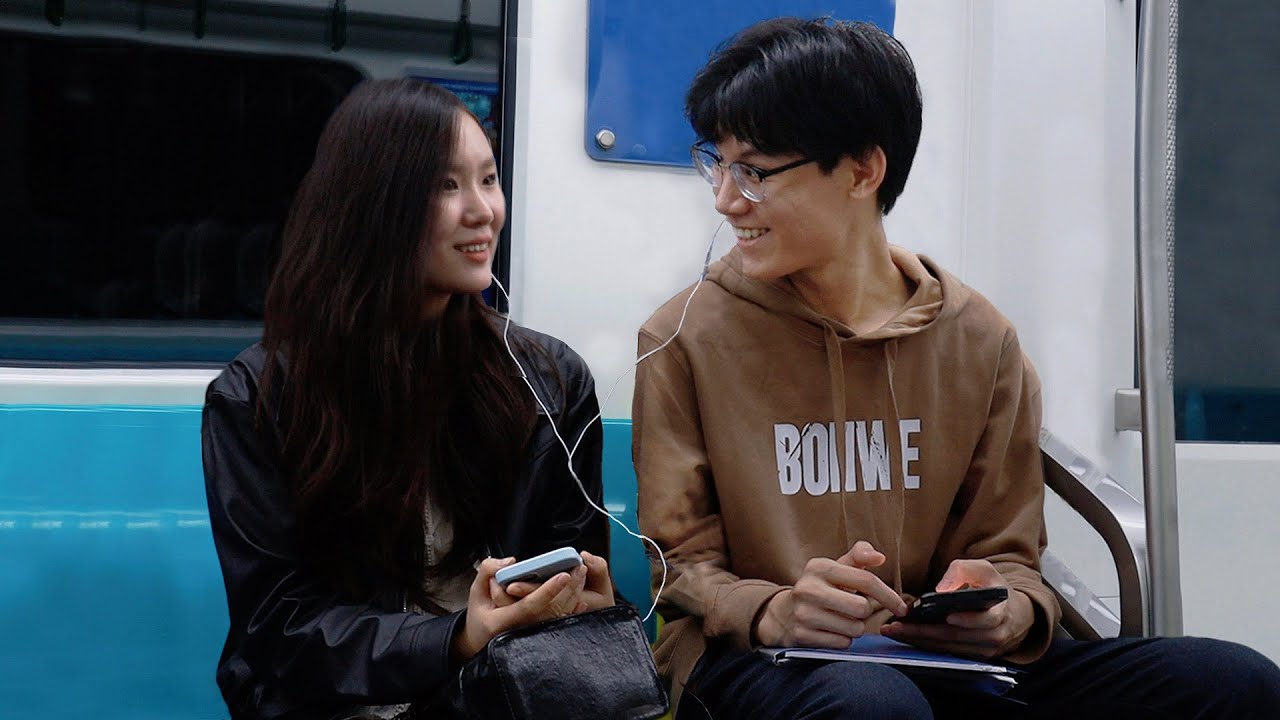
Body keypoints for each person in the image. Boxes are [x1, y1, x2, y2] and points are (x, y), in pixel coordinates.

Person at [633, 17, 1280, 719]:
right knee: (874, 706)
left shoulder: (979, 341)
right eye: (717, 163)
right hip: (757, 660)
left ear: (862, 171)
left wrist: (1007, 612)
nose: (726, 199)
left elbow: (1010, 558)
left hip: (941, 665)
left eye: (754, 172)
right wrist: (774, 610)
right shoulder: (683, 338)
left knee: (1233, 681)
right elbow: (680, 569)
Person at [202, 78, 614, 720]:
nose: (483, 211)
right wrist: (456, 637)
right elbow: (280, 627)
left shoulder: (550, 382)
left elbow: (569, 583)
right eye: (445, 186)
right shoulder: (258, 397)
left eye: (488, 179)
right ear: (373, 204)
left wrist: (582, 609)